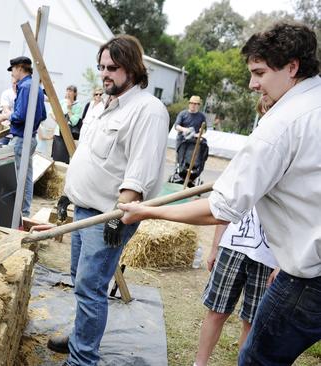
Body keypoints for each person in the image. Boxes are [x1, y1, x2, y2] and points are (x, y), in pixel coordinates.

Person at [119, 22, 321, 365]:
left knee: (257, 359)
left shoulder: (281, 122)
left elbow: (220, 209)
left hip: (308, 281)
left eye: (259, 72)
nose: (252, 84)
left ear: (292, 67)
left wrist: (147, 211)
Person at [46, 35, 169, 365]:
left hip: (107, 216)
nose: (105, 74)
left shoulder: (147, 110)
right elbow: (87, 157)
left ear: (132, 68)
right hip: (84, 209)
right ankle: (79, 337)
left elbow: (140, 170)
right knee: (80, 280)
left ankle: (82, 358)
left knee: (91, 287)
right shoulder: (101, 105)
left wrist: (118, 215)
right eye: (101, 67)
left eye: (113, 68)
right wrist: (67, 195)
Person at [195, 206, 278, 366]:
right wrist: (215, 248)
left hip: (269, 258)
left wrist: (282, 264)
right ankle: (199, 364)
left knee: (252, 321)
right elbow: (228, 206)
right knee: (217, 311)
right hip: (232, 247)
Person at [0, 56, 47, 221]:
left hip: (21, 138)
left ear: (20, 68)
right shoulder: (36, 86)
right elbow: (42, 114)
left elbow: (20, 115)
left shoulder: (25, 86)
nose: (13, 73)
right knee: (26, 177)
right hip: (30, 137)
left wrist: (7, 115)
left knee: (5, 173)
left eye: (13, 70)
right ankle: (24, 212)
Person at [51, 85, 83, 164]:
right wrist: (57, 120)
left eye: (71, 91)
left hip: (68, 134)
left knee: (64, 160)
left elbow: (74, 121)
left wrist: (69, 109)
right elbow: (51, 112)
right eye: (67, 90)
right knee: (56, 158)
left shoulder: (78, 105)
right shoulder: (62, 101)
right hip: (58, 133)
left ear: (75, 94)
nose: (68, 93)